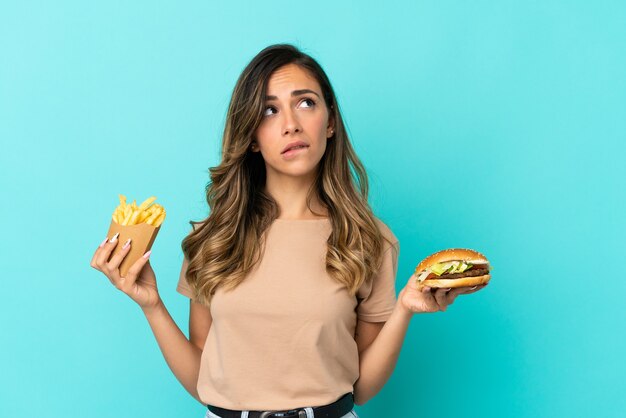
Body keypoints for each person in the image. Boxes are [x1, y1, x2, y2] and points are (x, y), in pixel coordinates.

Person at [90, 43, 487, 418]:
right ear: (251, 139)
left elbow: (361, 387)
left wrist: (403, 309)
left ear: (329, 122)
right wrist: (152, 305)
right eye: (268, 111)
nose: (291, 125)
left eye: (305, 103)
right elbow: (202, 379)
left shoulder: (369, 239)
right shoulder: (215, 236)